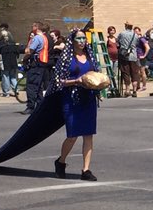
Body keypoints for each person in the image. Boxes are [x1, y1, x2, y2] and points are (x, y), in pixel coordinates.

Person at [53, 29, 100, 181]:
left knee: (88, 135)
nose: (82, 42)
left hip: (88, 98)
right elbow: (58, 81)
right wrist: (76, 81)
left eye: (83, 39)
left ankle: (85, 170)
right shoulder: (66, 58)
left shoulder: (90, 56)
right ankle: (61, 162)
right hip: (71, 98)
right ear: (72, 41)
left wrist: (100, 83)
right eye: (78, 39)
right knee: (72, 135)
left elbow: (97, 74)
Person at [23, 21, 52, 113]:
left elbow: (29, 51)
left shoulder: (37, 38)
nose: (32, 28)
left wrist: (24, 59)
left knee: (31, 85)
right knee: (39, 86)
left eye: (33, 26)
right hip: (42, 64)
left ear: (36, 27)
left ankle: (30, 107)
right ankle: (40, 106)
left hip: (35, 64)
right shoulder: (45, 38)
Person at [0, 26, 21, 97]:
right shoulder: (13, 43)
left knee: (5, 77)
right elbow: (18, 53)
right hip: (13, 62)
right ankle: (16, 90)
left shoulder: (0, 44)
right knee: (13, 77)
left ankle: (6, 92)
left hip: (4, 63)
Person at [115, 22, 140, 98]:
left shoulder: (122, 34)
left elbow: (117, 42)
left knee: (126, 72)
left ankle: (127, 90)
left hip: (124, 56)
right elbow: (136, 44)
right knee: (134, 73)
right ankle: (135, 90)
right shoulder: (135, 35)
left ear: (126, 26)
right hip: (133, 56)